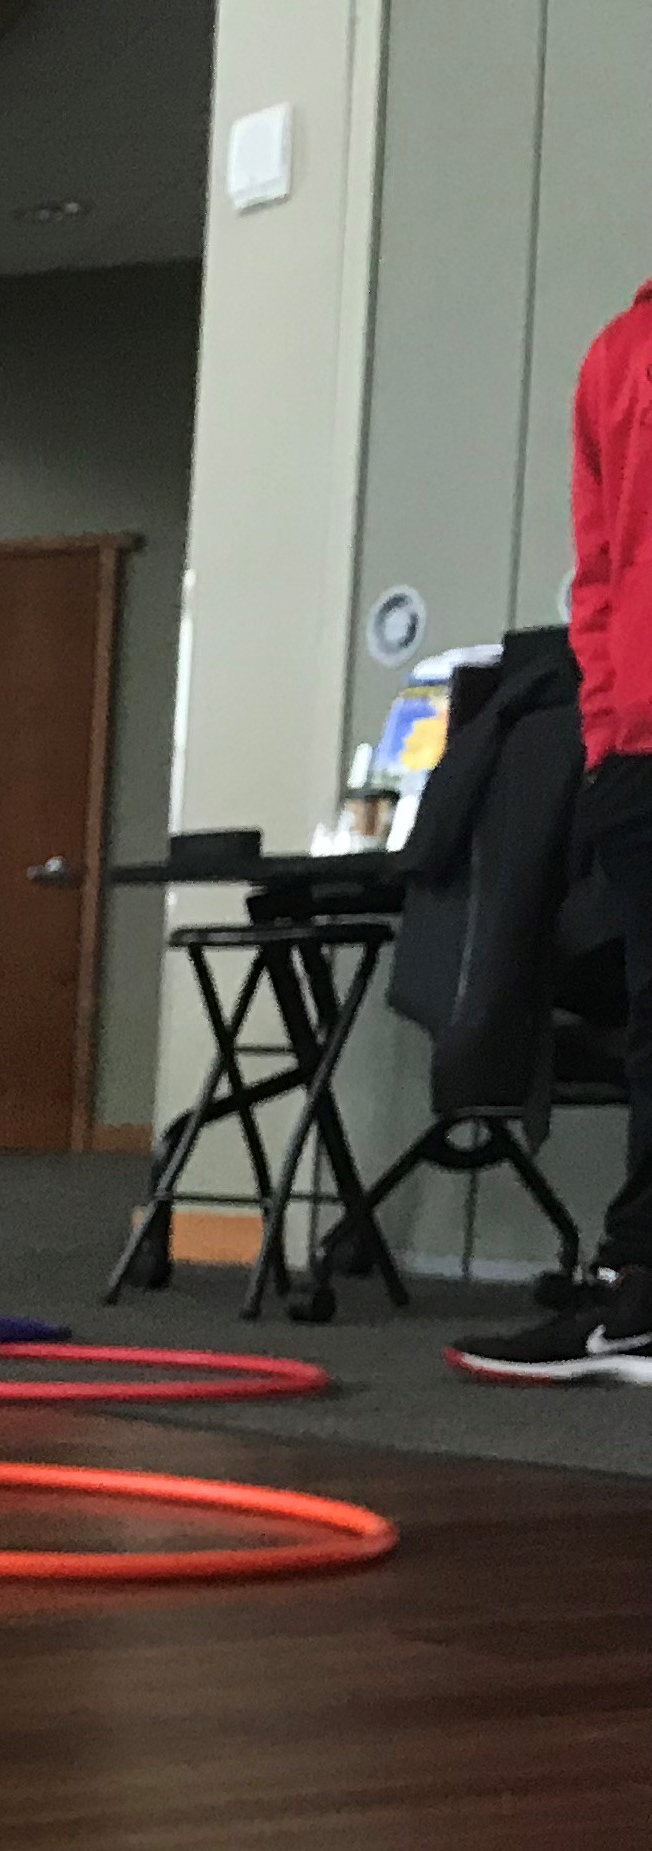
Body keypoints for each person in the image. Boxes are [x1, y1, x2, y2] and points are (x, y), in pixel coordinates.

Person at [456, 274, 652, 1385]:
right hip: (641, 752)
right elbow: (602, 567)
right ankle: (643, 1296)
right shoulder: (620, 352)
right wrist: (611, 728)